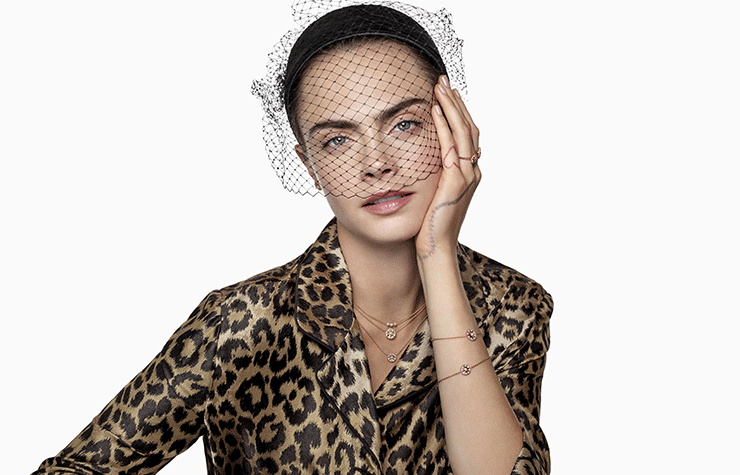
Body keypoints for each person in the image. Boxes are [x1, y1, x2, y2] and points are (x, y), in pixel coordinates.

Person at [33, 1, 553, 474]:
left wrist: (437, 257)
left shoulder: (514, 307)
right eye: (338, 140)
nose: (376, 163)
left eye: (405, 126)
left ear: (453, 127)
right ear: (308, 164)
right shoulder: (240, 322)